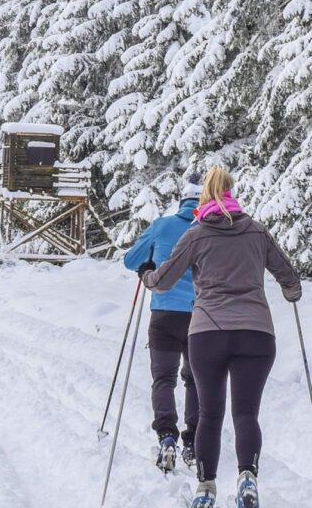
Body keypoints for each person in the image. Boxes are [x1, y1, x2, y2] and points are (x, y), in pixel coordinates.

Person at [139, 166, 302, 508]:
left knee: (211, 414)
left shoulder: (196, 235)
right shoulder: (258, 232)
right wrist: (291, 292)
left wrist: (148, 277)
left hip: (208, 334)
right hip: (256, 334)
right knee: (246, 414)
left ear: (204, 198)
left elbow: (164, 279)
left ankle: (206, 487)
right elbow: (289, 277)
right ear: (232, 193)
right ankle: (247, 477)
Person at [124, 172, 202, 473]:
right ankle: (193, 441)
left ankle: (167, 436)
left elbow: (131, 260)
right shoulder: (209, 228)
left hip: (164, 315)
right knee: (194, 380)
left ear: (182, 200)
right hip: (201, 316)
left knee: (164, 379)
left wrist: (148, 265)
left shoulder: (163, 225)